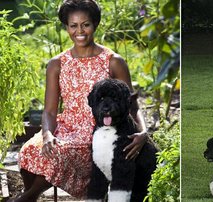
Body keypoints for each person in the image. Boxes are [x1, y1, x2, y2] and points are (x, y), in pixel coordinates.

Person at [9, 0, 148, 201]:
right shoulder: (56, 63)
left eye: (86, 24)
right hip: (65, 127)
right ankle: (29, 196)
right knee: (29, 150)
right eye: (73, 25)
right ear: (66, 27)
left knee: (58, 155)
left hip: (98, 131)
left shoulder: (113, 61)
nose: (79, 31)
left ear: (95, 25)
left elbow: (132, 104)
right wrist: (47, 134)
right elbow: (49, 111)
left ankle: (26, 198)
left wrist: (143, 132)